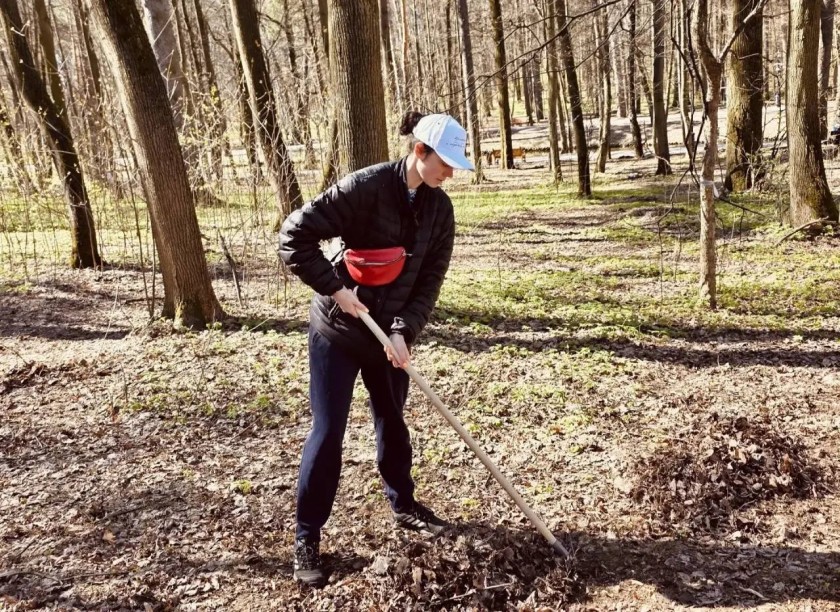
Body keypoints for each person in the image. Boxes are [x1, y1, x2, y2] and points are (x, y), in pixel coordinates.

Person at [278, 112, 474, 587]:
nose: (450, 174)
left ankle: (403, 505)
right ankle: (308, 534)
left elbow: (430, 281)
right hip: (340, 330)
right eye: (445, 163)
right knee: (328, 432)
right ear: (419, 152)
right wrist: (335, 289)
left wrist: (405, 331)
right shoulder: (363, 188)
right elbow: (293, 237)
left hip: (390, 335)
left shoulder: (439, 210)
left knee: (393, 420)